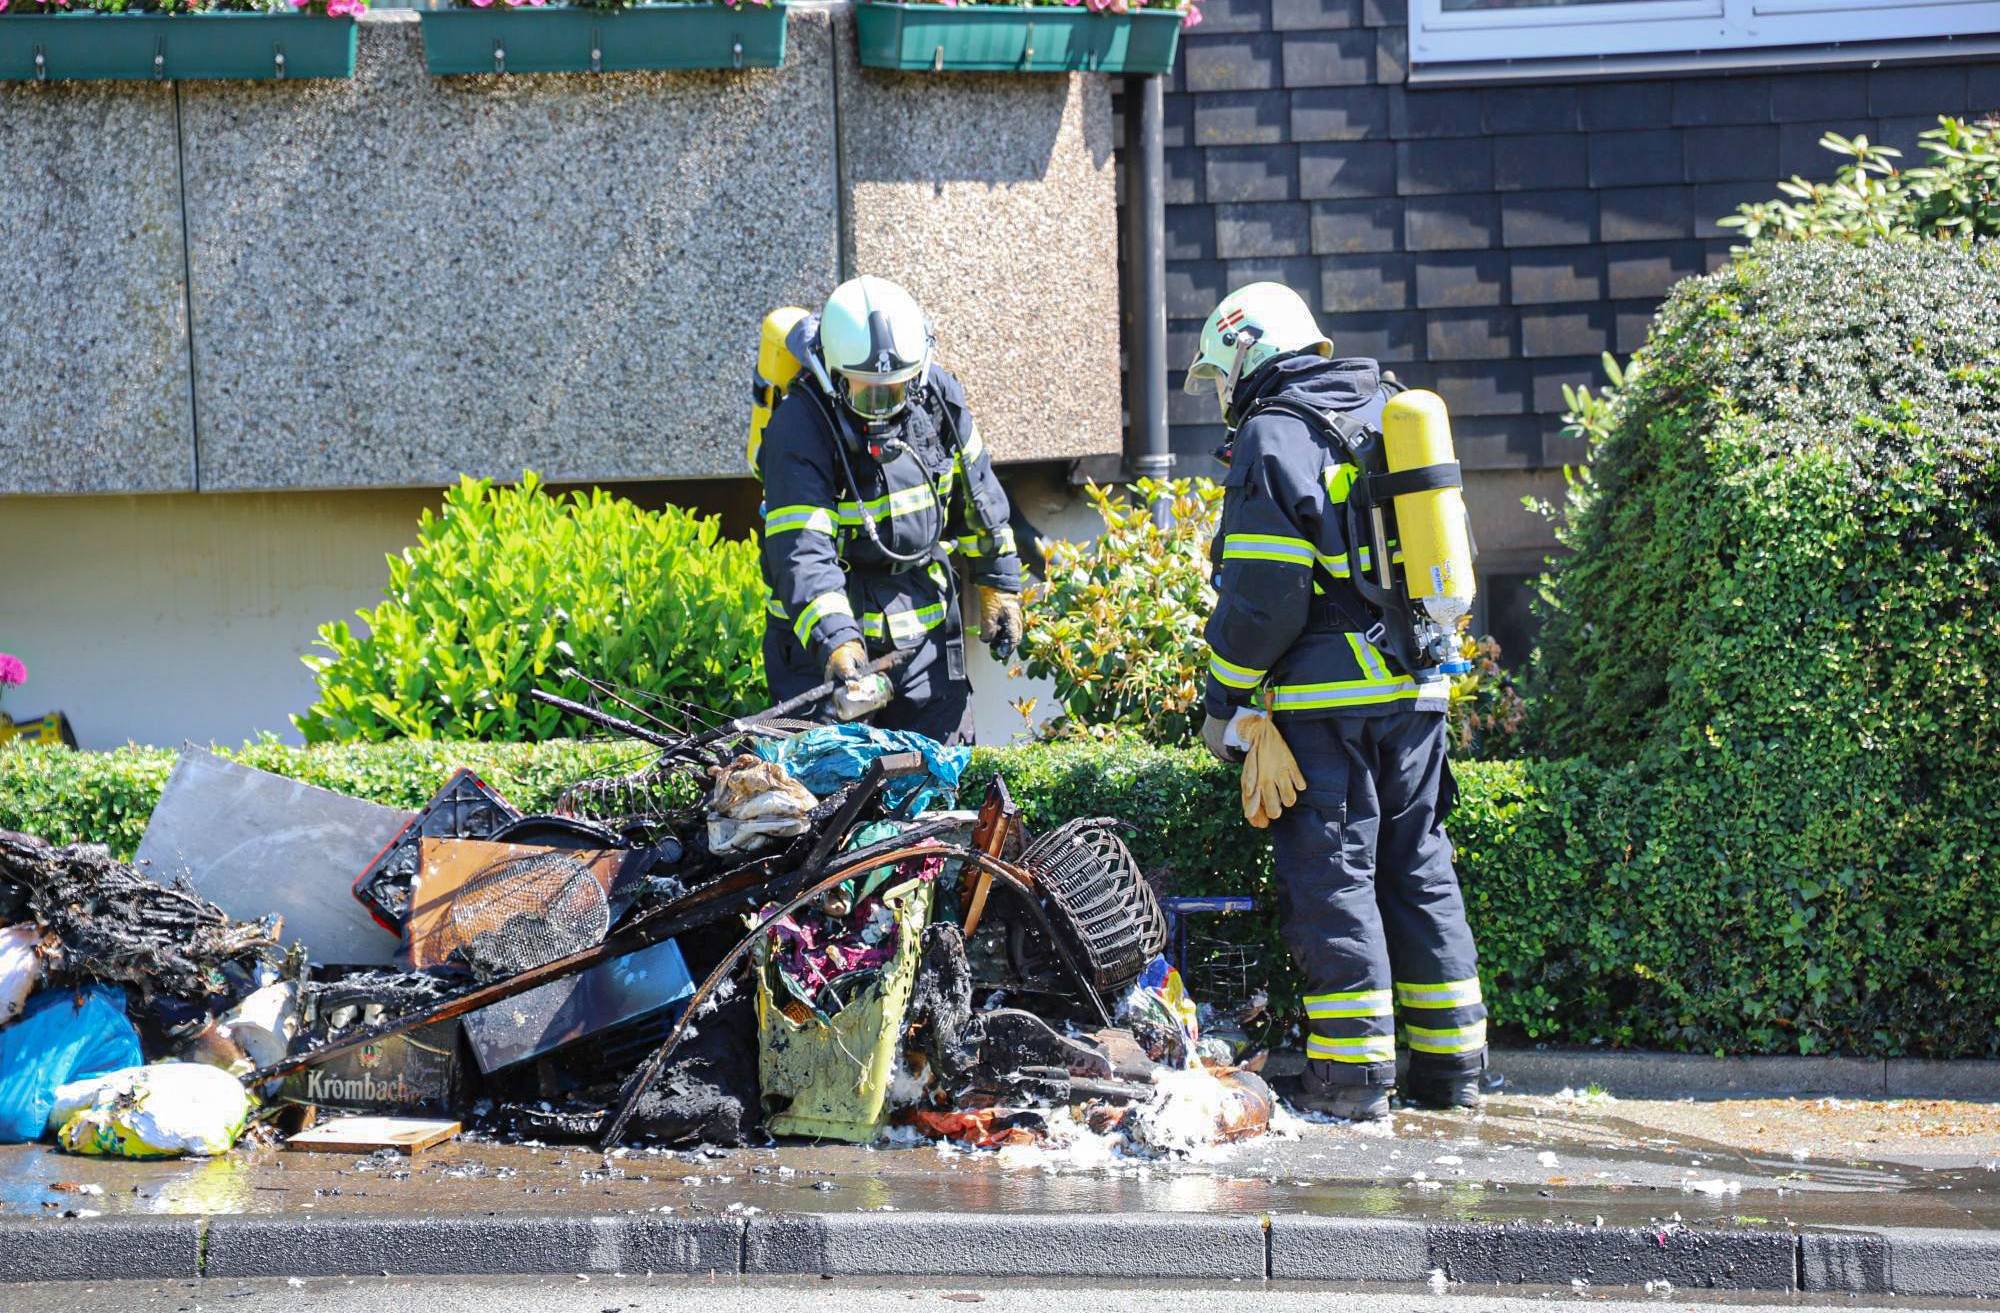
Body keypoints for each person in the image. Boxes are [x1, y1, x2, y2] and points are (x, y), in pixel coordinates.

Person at [1186, 282, 1489, 1121]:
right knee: (1419, 865)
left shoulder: (1274, 432)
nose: (1222, 395)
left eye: (1221, 375)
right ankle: (1451, 1067)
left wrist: (1224, 700)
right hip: (1418, 690)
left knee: (1336, 877)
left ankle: (1351, 1080)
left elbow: (1263, 597)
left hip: (1329, 700)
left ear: (1248, 354)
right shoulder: (1385, 406)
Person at [755, 275, 1023, 745]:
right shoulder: (798, 428)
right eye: (867, 393)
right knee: (830, 797)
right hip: (824, 659)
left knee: (938, 787)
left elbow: (978, 494)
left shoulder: (938, 398)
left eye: (894, 391)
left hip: (926, 649)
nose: (881, 408)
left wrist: (998, 582)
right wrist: (836, 639)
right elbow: (802, 552)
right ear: (833, 377)